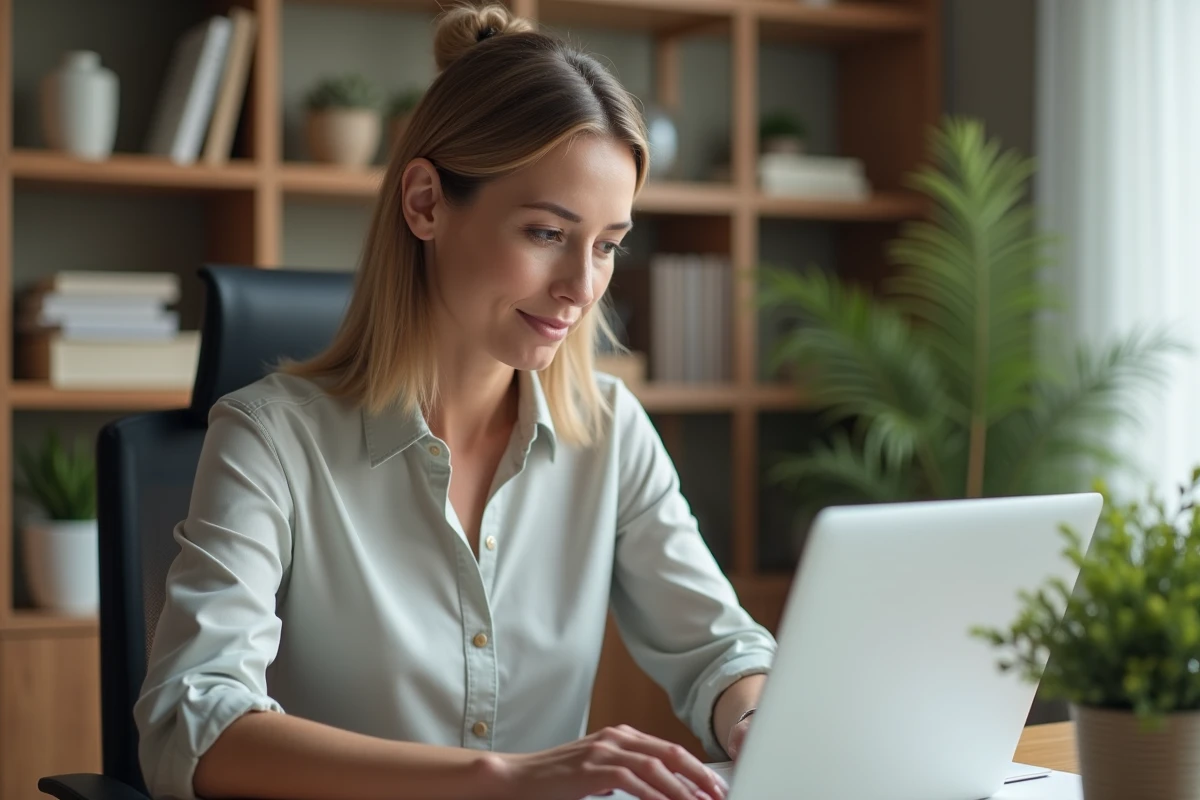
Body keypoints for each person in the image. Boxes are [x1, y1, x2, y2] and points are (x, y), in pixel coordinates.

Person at [133, 4, 777, 800]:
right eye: (547, 233)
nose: (582, 287)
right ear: (426, 203)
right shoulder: (270, 439)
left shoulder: (609, 431)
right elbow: (192, 723)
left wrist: (757, 718)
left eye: (607, 245)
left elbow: (720, 649)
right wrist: (496, 778)